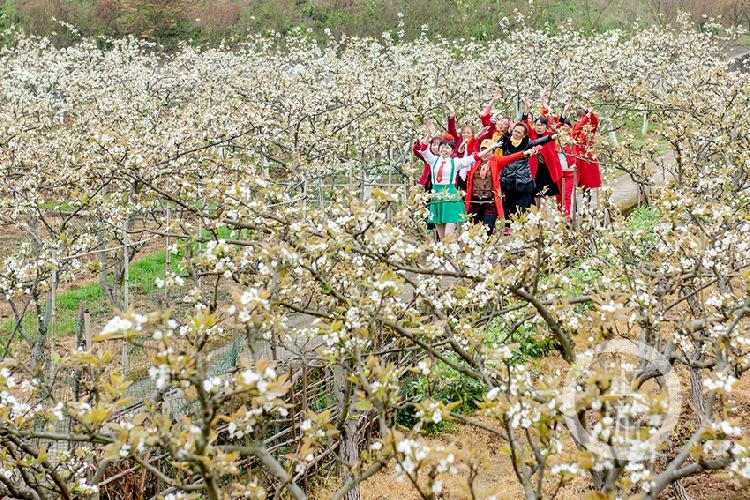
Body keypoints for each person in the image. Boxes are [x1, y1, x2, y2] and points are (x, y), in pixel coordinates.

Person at [418, 134, 497, 239]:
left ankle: (453, 249)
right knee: (441, 236)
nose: (444, 149)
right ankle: (446, 253)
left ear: (452, 151)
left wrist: (490, 148)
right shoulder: (433, 160)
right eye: (442, 147)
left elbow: (474, 157)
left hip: (450, 195)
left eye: (447, 148)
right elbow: (424, 150)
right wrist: (427, 137)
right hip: (436, 194)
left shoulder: (455, 162)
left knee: (448, 234)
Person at [464, 139, 537, 236]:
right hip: (475, 202)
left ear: (493, 151)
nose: (485, 154)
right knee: (475, 231)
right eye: (483, 150)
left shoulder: (496, 161)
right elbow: (468, 149)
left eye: (488, 150)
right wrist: (475, 137)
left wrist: (525, 153)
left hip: (490, 202)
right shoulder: (474, 161)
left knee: (488, 229)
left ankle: (489, 244)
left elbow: (511, 157)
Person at [497, 122, 557, 232]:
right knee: (508, 203)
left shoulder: (527, 143)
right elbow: (497, 143)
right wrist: (507, 133)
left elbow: (538, 142)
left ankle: (521, 226)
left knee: (522, 205)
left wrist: (550, 138)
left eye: (519, 132)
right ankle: (508, 226)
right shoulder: (506, 141)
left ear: (524, 135)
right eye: (515, 131)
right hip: (507, 178)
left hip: (523, 180)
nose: (516, 134)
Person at [570, 107, 602, 207]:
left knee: (587, 186)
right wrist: (585, 119)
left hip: (587, 160)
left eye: (583, 117)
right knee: (573, 185)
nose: (581, 119)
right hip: (577, 159)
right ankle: (573, 209)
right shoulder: (575, 127)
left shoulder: (590, 129)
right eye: (579, 117)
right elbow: (576, 132)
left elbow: (595, 121)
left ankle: (586, 206)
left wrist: (590, 113)